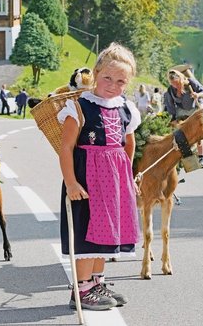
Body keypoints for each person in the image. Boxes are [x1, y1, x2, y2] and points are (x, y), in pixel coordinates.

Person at [57, 42, 141, 311]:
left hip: (114, 182)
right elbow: (66, 148)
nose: (113, 85)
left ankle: (96, 282)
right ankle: (81, 289)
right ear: (95, 73)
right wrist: (70, 182)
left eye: (120, 81)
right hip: (86, 179)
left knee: (107, 232)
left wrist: (127, 177)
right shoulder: (79, 107)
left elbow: (129, 144)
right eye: (107, 78)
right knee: (87, 232)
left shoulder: (126, 108)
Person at [164, 69, 203, 167]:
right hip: (181, 111)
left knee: (198, 134)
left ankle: (202, 157)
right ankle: (189, 162)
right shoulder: (170, 90)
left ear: (180, 79)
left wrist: (197, 95)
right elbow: (170, 105)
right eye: (173, 84)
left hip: (195, 109)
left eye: (176, 83)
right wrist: (173, 119)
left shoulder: (190, 83)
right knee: (181, 135)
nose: (175, 86)